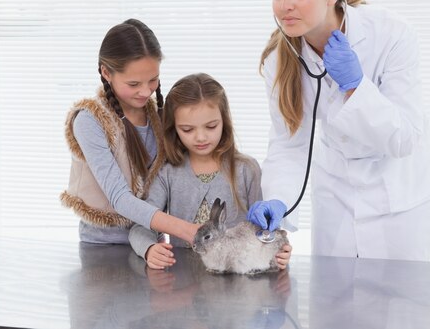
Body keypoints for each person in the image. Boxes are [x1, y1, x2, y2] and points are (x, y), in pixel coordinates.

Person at [247, 0, 430, 260]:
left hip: (398, 195)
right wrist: (278, 198)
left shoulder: (391, 33)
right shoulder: (278, 61)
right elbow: (289, 144)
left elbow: (405, 137)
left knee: (399, 305)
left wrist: (355, 85)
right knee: (334, 303)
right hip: (337, 195)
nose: (286, 5)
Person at [129, 73, 292, 269]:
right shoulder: (167, 172)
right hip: (182, 282)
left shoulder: (246, 170)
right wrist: (149, 249)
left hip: (234, 285)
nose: (200, 137)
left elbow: (265, 230)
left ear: (224, 121)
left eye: (211, 126)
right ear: (174, 129)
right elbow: (140, 224)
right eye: (187, 129)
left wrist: (279, 251)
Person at [60, 19, 201, 244]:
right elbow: (120, 198)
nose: (146, 91)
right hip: (104, 247)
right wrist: (186, 230)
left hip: (152, 243)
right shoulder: (89, 121)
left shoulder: (159, 116)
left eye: (153, 80)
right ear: (106, 72)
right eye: (134, 84)